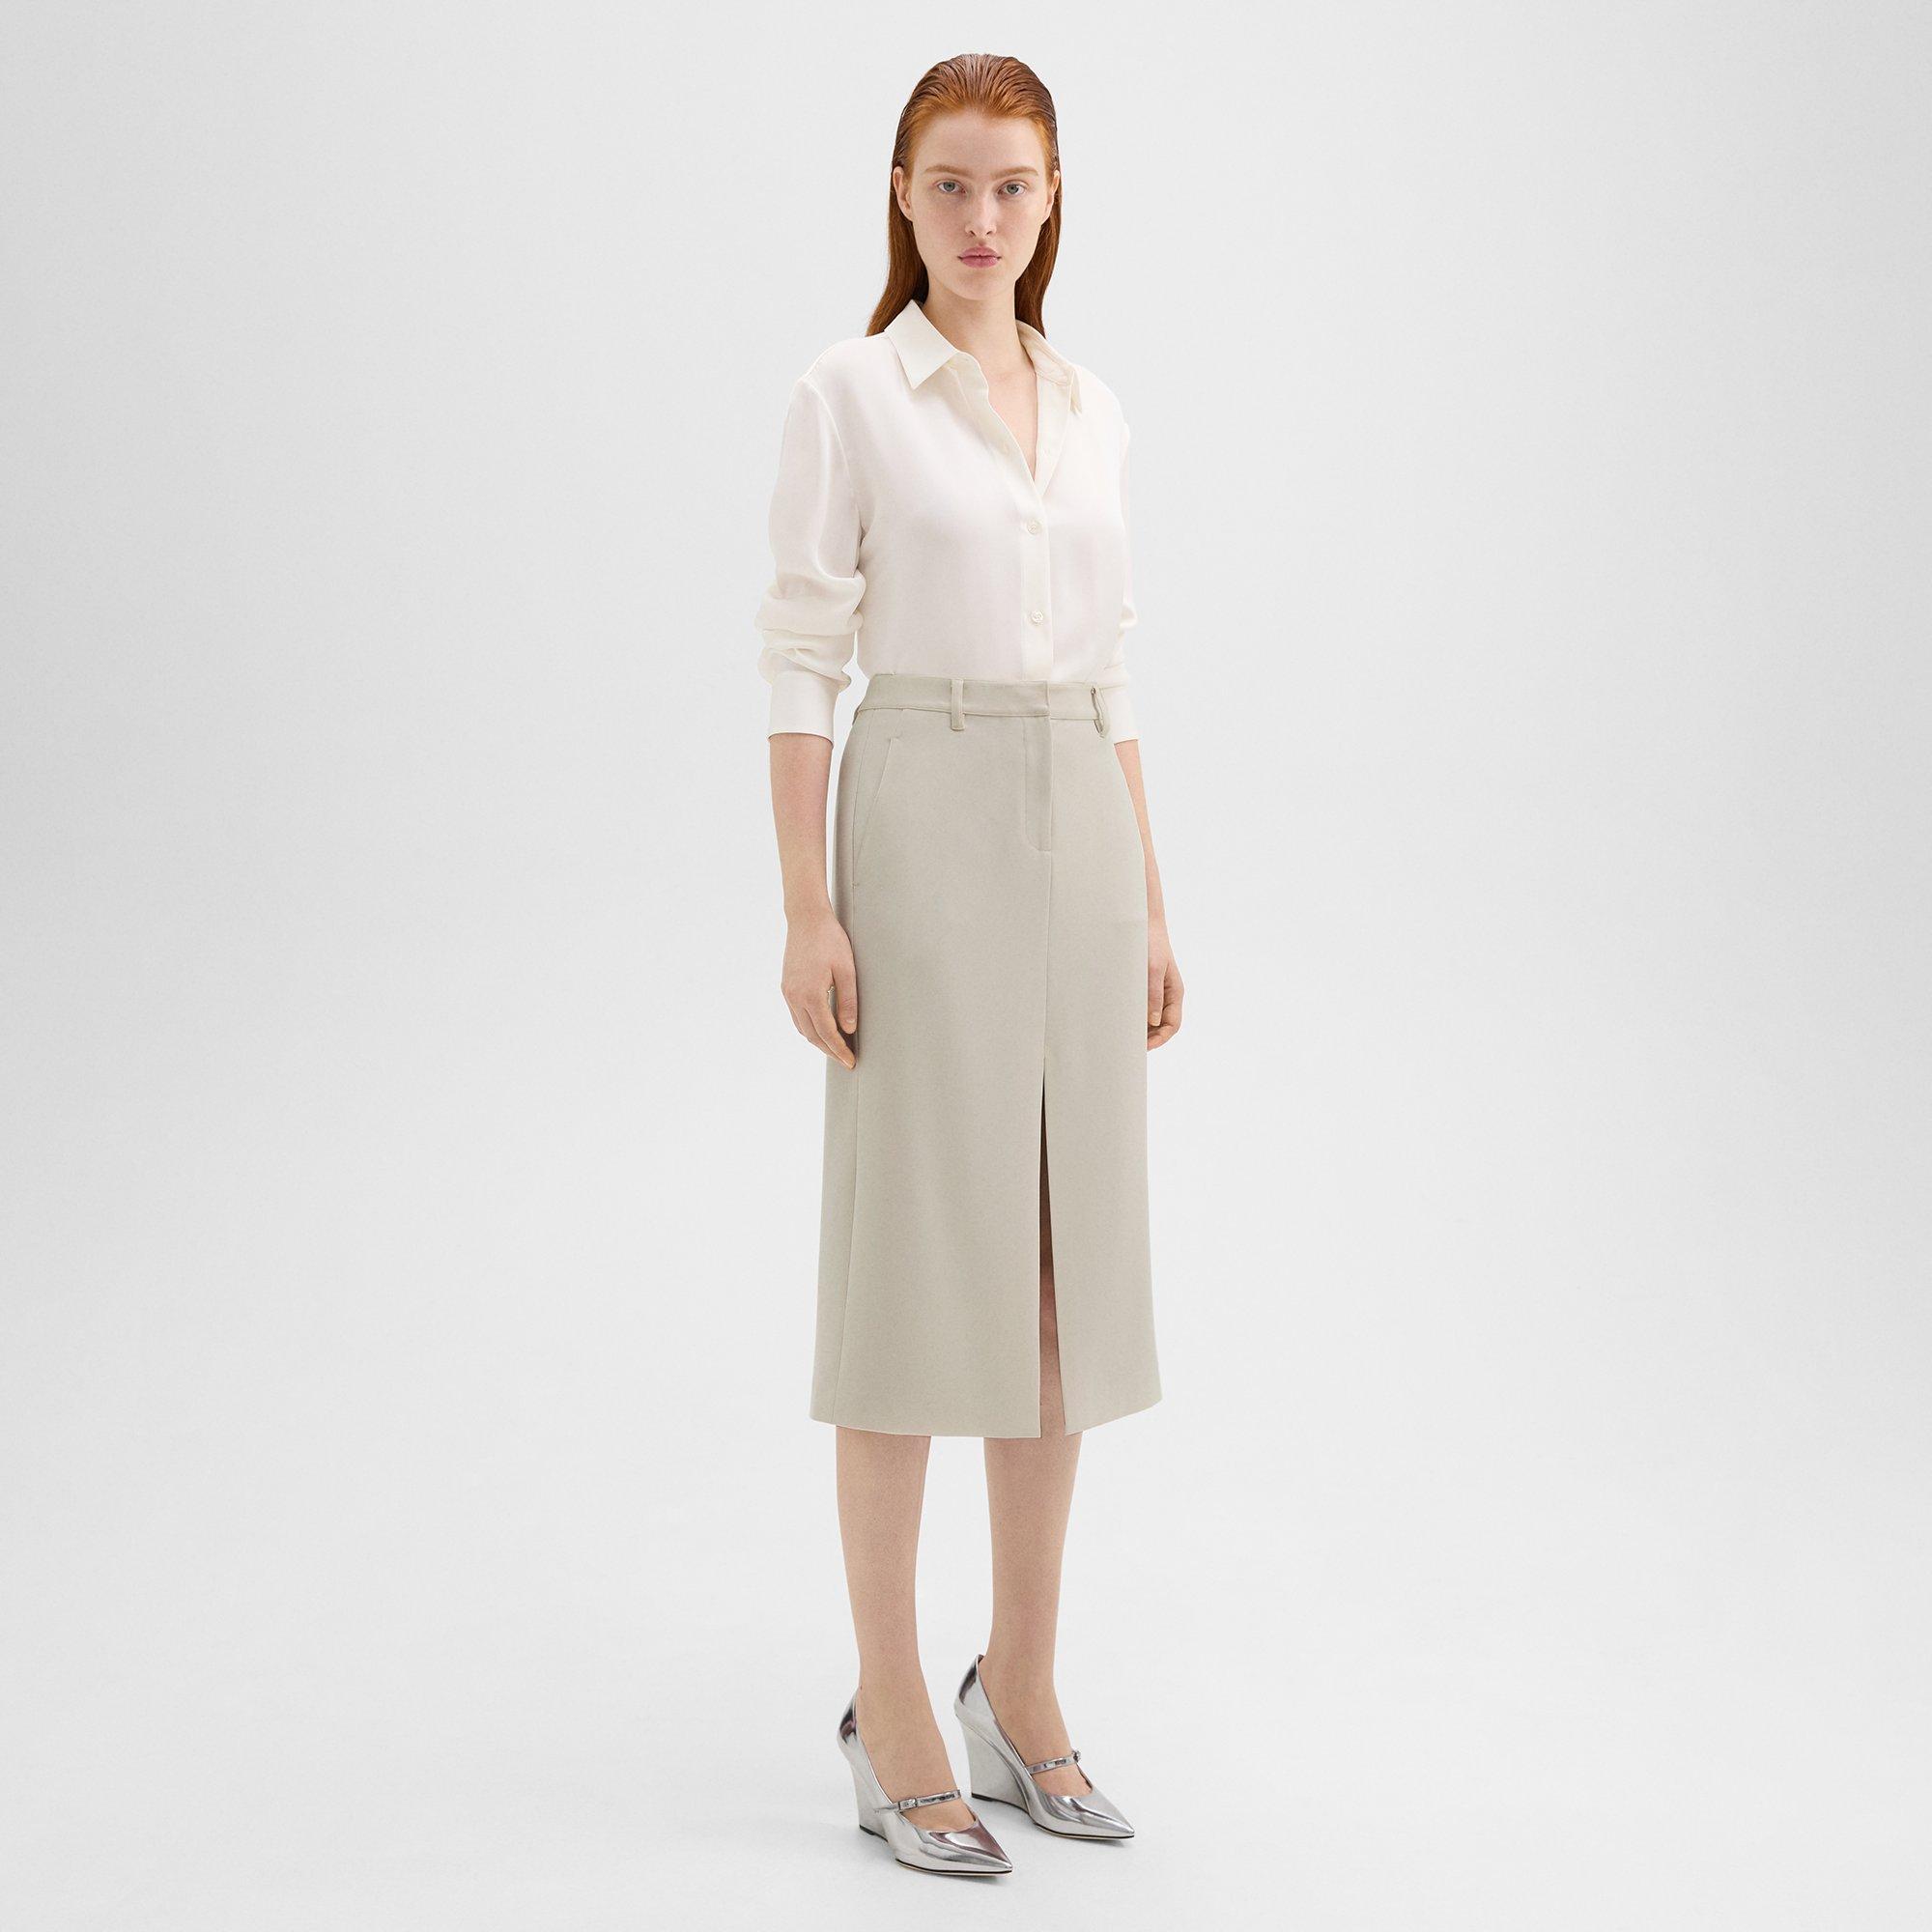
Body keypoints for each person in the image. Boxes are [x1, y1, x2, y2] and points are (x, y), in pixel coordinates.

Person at [757, 52, 1184, 1878]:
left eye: (1012, 185)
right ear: (902, 194)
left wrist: (1149, 896)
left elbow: (1112, 668)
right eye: (950, 184)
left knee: (1058, 1283)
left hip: (1079, 818)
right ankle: (891, 1705)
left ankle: (1022, 1681)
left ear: (1054, 194)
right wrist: (808, 908)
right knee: (912, 1276)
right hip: (920, 812)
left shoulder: (1091, 407)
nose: (982, 219)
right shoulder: (851, 393)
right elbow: (801, 656)